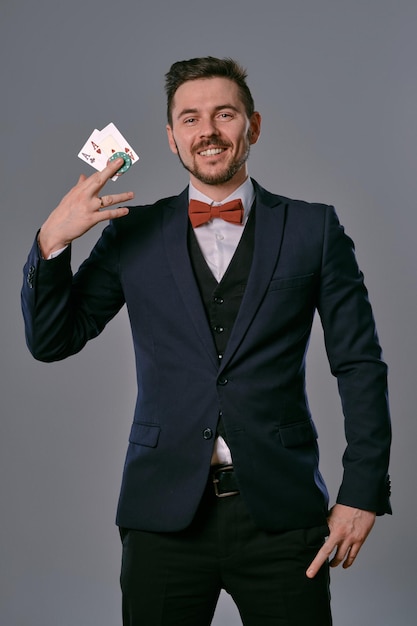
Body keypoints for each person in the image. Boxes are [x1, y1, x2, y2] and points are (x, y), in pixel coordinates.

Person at [21, 56, 391, 625]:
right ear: (171, 138)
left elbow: (360, 364)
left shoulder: (315, 229)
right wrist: (51, 240)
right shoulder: (132, 233)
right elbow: (52, 340)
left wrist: (362, 492)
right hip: (162, 513)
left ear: (254, 126)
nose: (208, 131)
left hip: (283, 512)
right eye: (190, 119)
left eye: (225, 114)